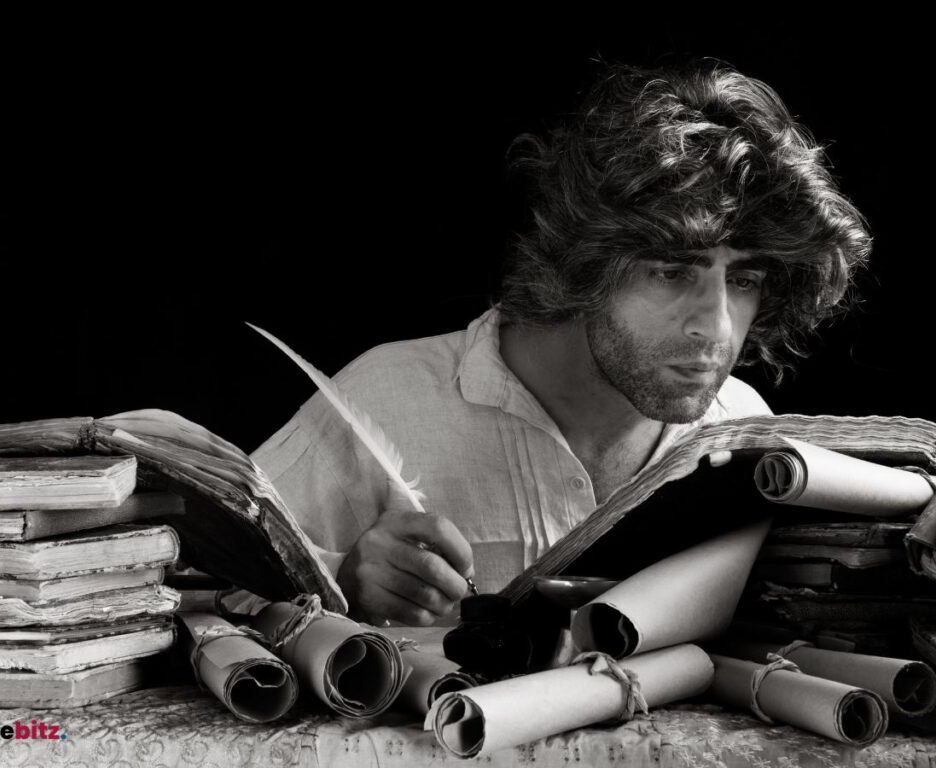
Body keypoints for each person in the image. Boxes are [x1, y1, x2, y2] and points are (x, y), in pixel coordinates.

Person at [252, 61, 871, 627]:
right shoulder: (385, 400)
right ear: (586, 264)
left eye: (742, 281)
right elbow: (198, 591)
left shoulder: (747, 438)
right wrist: (339, 584)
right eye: (672, 271)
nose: (718, 328)